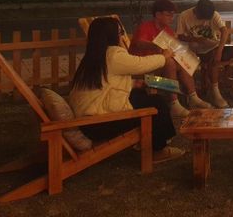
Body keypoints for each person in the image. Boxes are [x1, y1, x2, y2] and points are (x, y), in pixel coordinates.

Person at [69, 17, 184, 163]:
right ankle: (158, 150)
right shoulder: (113, 55)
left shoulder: (93, 55)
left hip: (89, 120)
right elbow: (141, 64)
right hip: (99, 123)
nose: (122, 36)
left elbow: (105, 84)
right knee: (157, 104)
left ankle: (152, 138)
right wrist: (164, 56)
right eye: (120, 32)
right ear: (111, 35)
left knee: (139, 94)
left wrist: (132, 84)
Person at [129, 0, 211, 119]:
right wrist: (156, 46)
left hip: (159, 68)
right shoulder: (145, 27)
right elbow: (139, 43)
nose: (171, 18)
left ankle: (193, 96)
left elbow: (175, 49)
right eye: (168, 15)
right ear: (158, 15)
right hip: (143, 70)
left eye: (173, 15)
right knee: (169, 62)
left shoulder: (167, 31)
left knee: (180, 61)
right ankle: (174, 104)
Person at [177, 0, 233, 108]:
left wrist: (220, 50)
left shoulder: (214, 14)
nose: (205, 20)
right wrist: (197, 39)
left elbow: (224, 31)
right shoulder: (184, 16)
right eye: (203, 18)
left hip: (214, 46)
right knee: (213, 56)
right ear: (196, 11)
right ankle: (215, 93)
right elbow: (180, 36)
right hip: (197, 51)